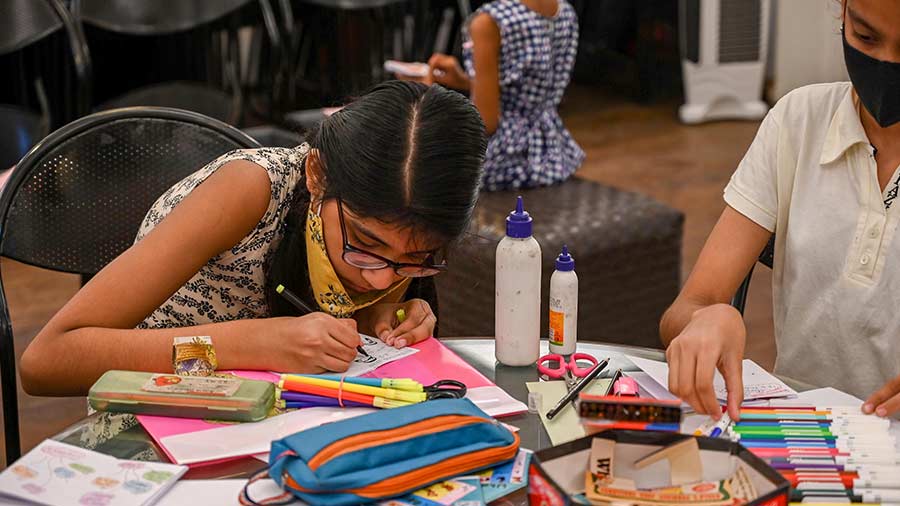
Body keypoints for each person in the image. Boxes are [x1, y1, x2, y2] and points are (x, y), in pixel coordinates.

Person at [20, 81, 487, 396]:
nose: (383, 275)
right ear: (317, 174)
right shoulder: (249, 191)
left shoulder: (388, 231)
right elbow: (48, 362)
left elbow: (306, 318)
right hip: (165, 406)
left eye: (417, 259)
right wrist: (250, 345)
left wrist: (375, 319)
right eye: (365, 244)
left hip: (288, 414)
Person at [661, 0, 900, 421]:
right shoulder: (798, 122)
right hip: (798, 437)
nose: (885, 65)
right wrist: (707, 319)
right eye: (865, 36)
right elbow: (688, 307)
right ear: (841, 12)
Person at [417, 0, 583, 191]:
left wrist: (428, 94)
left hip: (506, 161)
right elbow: (526, 88)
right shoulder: (563, 10)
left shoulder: (490, 21)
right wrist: (466, 82)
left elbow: (485, 123)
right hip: (552, 152)